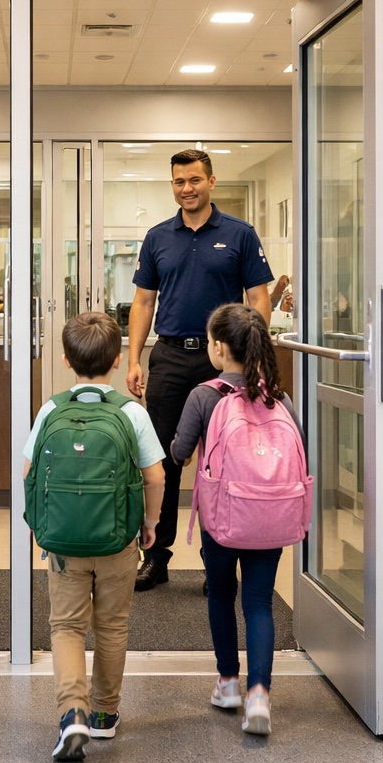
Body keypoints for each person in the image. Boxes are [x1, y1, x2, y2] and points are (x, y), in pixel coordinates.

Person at [126, 147, 274, 592]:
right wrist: (134, 358)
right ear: (172, 185)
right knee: (163, 460)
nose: (186, 188)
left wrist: (251, 356)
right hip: (170, 356)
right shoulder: (157, 237)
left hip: (224, 362)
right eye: (179, 181)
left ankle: (218, 561)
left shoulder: (239, 233)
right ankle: (156, 557)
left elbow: (258, 298)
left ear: (211, 181)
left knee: (223, 461)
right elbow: (143, 302)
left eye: (194, 180)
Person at [21, 311, 166, 762]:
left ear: (66, 360)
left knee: (66, 626)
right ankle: (104, 714)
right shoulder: (132, 412)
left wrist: (41, 524)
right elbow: (155, 477)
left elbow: (28, 473)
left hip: (63, 543)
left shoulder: (51, 409)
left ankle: (73, 712)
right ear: (118, 359)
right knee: (111, 624)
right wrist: (150, 524)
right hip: (118, 540)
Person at [169, 303, 304, 737]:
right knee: (259, 602)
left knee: (222, 594)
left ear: (219, 348)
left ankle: (228, 682)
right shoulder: (279, 397)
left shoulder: (204, 396)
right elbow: (299, 449)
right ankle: (259, 695)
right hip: (270, 516)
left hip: (223, 520)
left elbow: (179, 452)